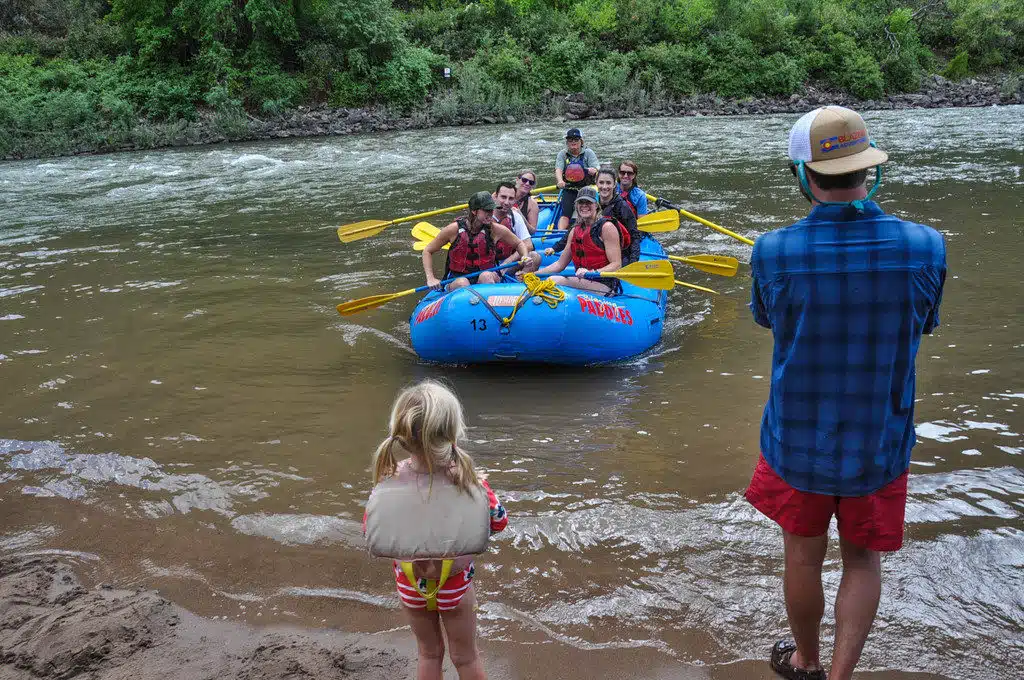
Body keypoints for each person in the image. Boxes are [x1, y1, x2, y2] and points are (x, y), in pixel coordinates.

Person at [745, 106, 946, 680]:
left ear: (803, 175)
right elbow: (925, 321)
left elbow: (767, 319)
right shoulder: (925, 247)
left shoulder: (773, 251)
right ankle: (838, 676)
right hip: (877, 439)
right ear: (869, 169)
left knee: (802, 556)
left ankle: (805, 661)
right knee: (863, 561)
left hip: (796, 439)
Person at [368, 380, 508, 680]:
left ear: (403, 435)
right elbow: (498, 522)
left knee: (429, 654)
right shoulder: (470, 482)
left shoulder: (389, 479)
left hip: (409, 582)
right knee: (466, 658)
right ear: (452, 433)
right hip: (455, 584)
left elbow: (374, 527)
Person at [422, 191, 532, 291]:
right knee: (462, 283)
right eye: (486, 211)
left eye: (491, 210)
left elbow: (519, 243)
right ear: (474, 211)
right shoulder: (453, 230)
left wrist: (524, 256)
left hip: (487, 274)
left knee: (486, 276)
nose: (491, 214)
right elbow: (427, 250)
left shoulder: (496, 229)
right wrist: (430, 278)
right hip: (457, 278)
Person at [532, 186, 630, 294]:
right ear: (576, 206)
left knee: (554, 280)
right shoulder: (574, 231)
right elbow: (560, 264)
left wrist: (592, 272)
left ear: (596, 205)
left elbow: (616, 264)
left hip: (605, 285)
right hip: (583, 281)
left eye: (588, 202)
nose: (584, 205)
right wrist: (534, 274)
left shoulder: (607, 227)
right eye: (581, 202)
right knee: (549, 279)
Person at [544, 169, 642, 265]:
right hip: (597, 248)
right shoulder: (590, 203)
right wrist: (555, 248)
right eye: (601, 182)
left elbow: (635, 235)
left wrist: (633, 262)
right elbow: (576, 227)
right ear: (596, 183)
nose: (604, 187)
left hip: (618, 252)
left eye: (608, 183)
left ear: (614, 185)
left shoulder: (622, 207)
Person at [554, 128, 599, 232]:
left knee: (587, 211)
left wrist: (594, 170)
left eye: (576, 139)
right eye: (570, 140)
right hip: (569, 188)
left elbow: (597, 169)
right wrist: (560, 181)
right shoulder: (562, 154)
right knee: (566, 214)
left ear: (581, 141)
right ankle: (560, 234)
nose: (573, 142)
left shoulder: (588, 153)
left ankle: (589, 229)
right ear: (567, 142)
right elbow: (558, 169)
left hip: (587, 189)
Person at [492, 181, 541, 277]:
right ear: (495, 197)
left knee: (535, 257)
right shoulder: (486, 216)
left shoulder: (515, 216)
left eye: (510, 199)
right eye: (503, 197)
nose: (506, 202)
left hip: (509, 263)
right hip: (489, 266)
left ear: (514, 200)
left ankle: (521, 283)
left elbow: (528, 245)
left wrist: (507, 262)